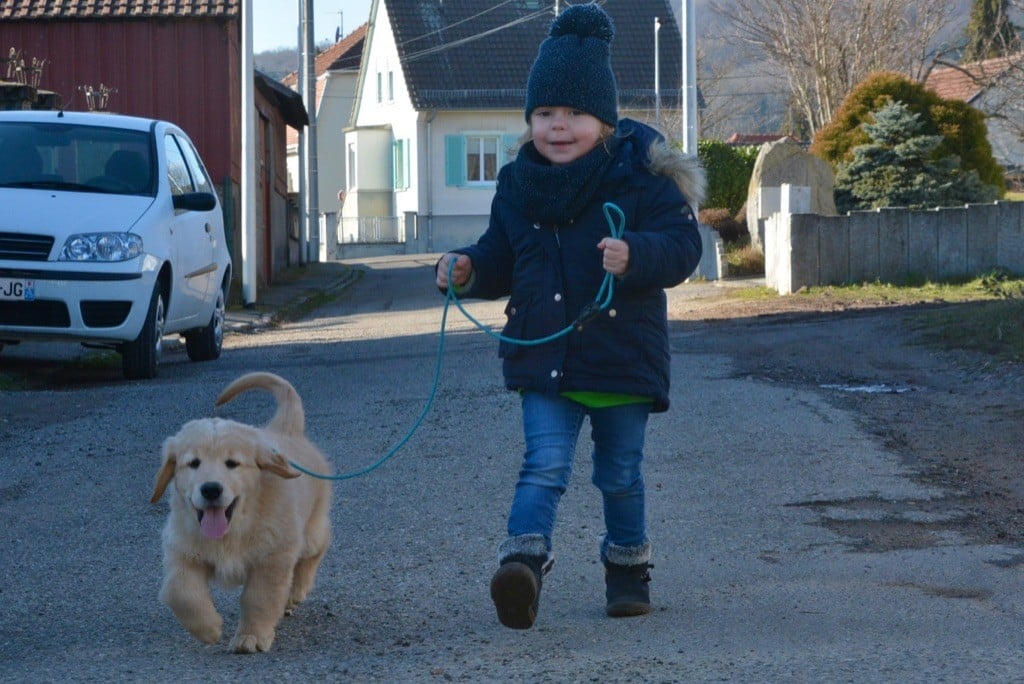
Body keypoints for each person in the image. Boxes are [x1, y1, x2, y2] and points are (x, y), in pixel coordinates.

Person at [435, 3, 705, 630]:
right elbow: (501, 254)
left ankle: (627, 571)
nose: (560, 127)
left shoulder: (640, 178)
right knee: (543, 466)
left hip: (622, 358)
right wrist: (468, 268)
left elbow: (684, 245)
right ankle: (522, 568)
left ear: (604, 121)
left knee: (620, 475)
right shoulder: (516, 184)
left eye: (576, 114)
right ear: (530, 120)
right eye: (546, 113)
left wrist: (637, 254)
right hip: (543, 357)